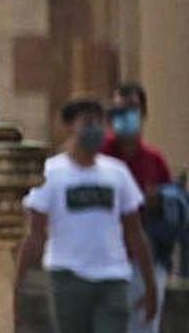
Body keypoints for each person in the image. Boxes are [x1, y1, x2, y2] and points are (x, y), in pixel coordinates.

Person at [15, 99, 158, 332]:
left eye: (100, 123)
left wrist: (150, 286)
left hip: (112, 276)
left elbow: (135, 232)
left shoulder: (117, 173)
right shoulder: (51, 174)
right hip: (68, 276)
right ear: (70, 126)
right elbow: (35, 235)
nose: (96, 129)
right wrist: (16, 285)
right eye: (88, 122)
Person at [98, 82, 174, 332]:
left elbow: (170, 212)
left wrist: (158, 202)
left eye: (131, 110)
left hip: (142, 264)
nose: (125, 117)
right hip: (105, 260)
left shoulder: (155, 161)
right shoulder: (100, 156)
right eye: (118, 111)